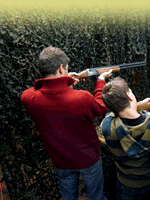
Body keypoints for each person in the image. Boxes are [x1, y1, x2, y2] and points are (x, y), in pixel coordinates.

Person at [21, 46, 112, 200]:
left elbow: (43, 91)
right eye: (66, 68)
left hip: (60, 159)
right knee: (96, 197)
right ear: (61, 68)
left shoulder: (28, 98)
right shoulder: (81, 97)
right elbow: (101, 107)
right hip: (88, 158)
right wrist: (101, 80)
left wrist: (65, 82)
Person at [100, 77, 150, 200]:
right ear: (129, 96)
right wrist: (139, 107)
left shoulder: (107, 127)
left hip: (128, 187)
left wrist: (138, 106)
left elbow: (113, 113)